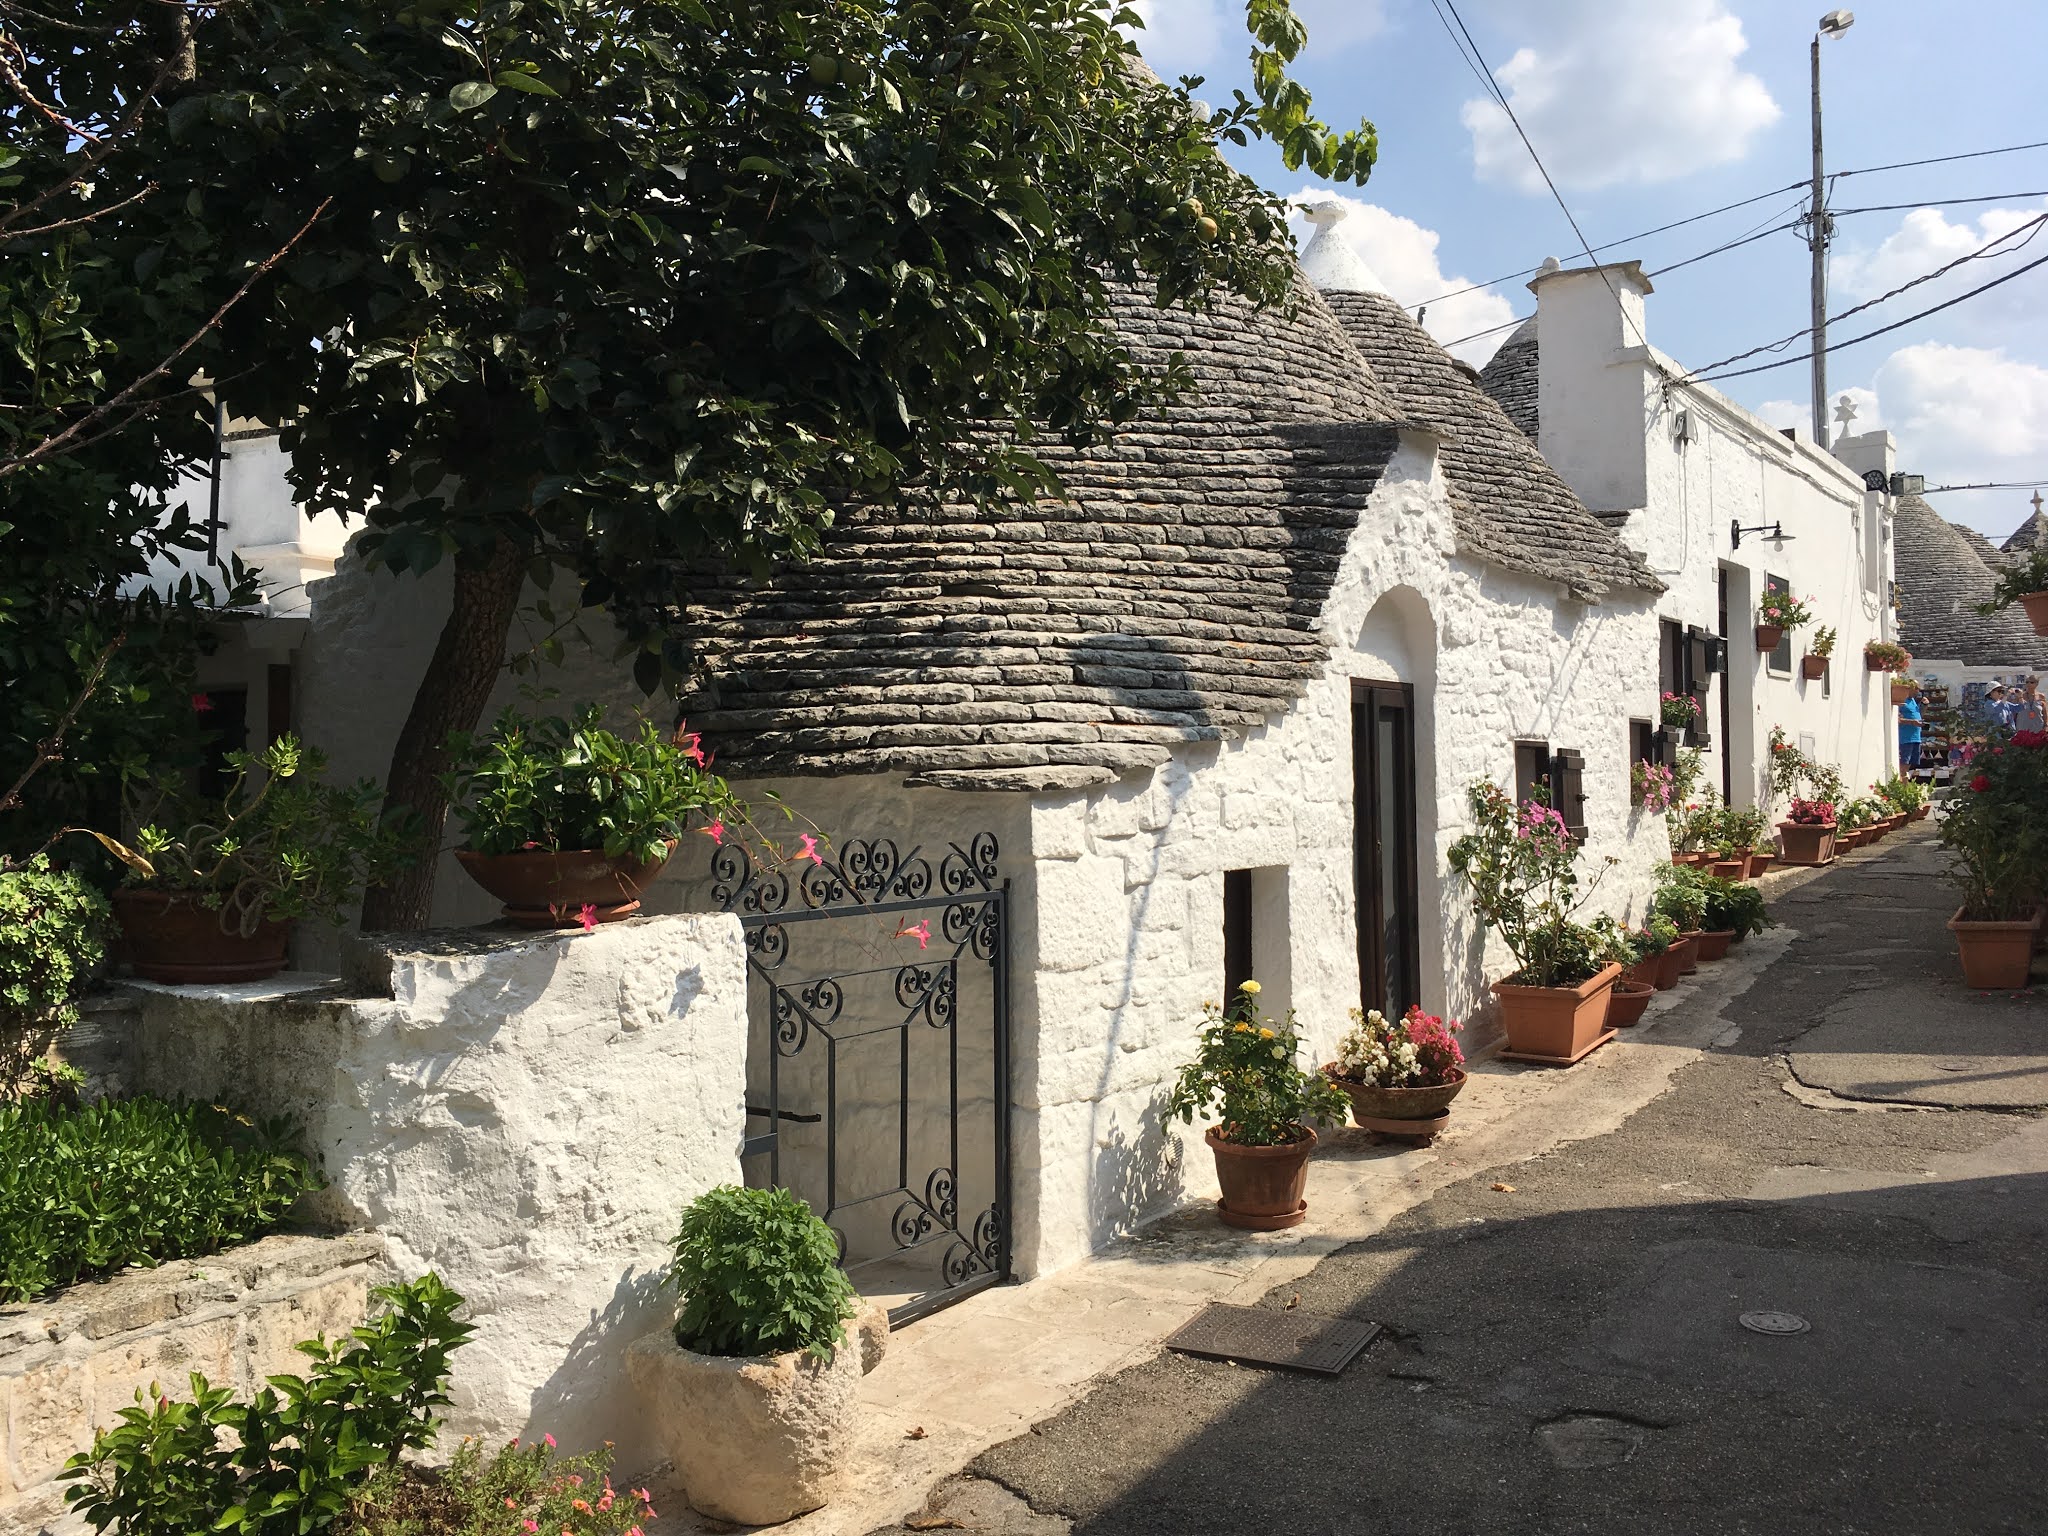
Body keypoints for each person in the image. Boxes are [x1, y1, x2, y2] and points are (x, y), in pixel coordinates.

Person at [1897, 690, 1924, 774]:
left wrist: (1925, 705)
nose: (1918, 692)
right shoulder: (1901, 700)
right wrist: (1912, 722)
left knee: (1910, 763)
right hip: (1906, 738)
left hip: (1916, 737)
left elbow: (1918, 715)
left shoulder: (1913, 700)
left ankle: (1904, 780)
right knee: (1903, 763)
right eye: (1916, 689)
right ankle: (1900, 780)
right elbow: (1897, 719)